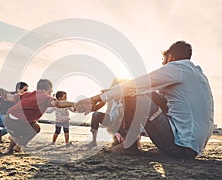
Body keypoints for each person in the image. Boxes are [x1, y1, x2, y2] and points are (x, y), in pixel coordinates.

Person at [75, 41, 214, 159]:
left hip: (178, 147)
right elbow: (151, 93)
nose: (163, 65)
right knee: (142, 92)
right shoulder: (197, 75)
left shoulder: (177, 68)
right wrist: (113, 92)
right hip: (192, 149)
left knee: (132, 93)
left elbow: (136, 85)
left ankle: (130, 145)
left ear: (170, 57)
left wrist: (97, 98)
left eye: (163, 61)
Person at [4, 79, 75, 153]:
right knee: (36, 128)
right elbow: (58, 104)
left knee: (19, 132)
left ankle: (10, 148)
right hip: (19, 121)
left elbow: (11, 98)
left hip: (8, 118)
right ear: (49, 90)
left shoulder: (29, 94)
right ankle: (18, 145)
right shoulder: (46, 97)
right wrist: (74, 104)